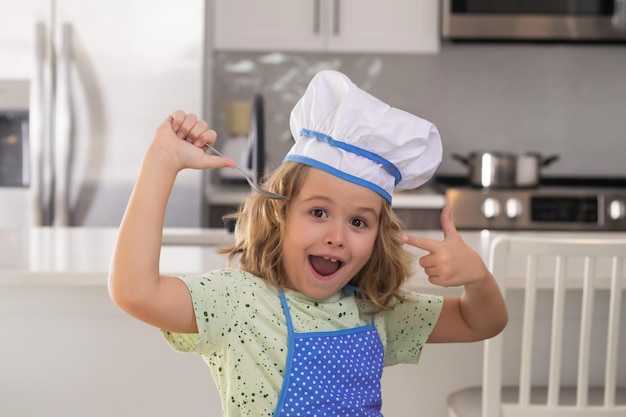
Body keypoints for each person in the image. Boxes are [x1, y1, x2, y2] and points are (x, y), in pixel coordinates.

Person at [108, 70, 508, 417]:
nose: (336, 236)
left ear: (377, 239)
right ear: (278, 214)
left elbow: (482, 322)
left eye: (358, 221)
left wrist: (478, 277)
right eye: (318, 212)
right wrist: (161, 162)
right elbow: (134, 291)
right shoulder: (240, 301)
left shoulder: (374, 308)